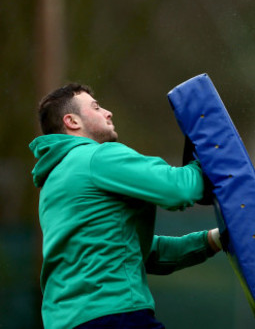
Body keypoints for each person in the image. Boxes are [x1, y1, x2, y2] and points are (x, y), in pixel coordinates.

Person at [29, 83, 222, 329]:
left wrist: (213, 240)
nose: (107, 112)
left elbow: (140, 252)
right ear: (72, 121)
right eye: (96, 107)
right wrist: (208, 155)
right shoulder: (96, 157)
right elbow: (180, 189)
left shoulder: (53, 182)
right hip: (114, 316)